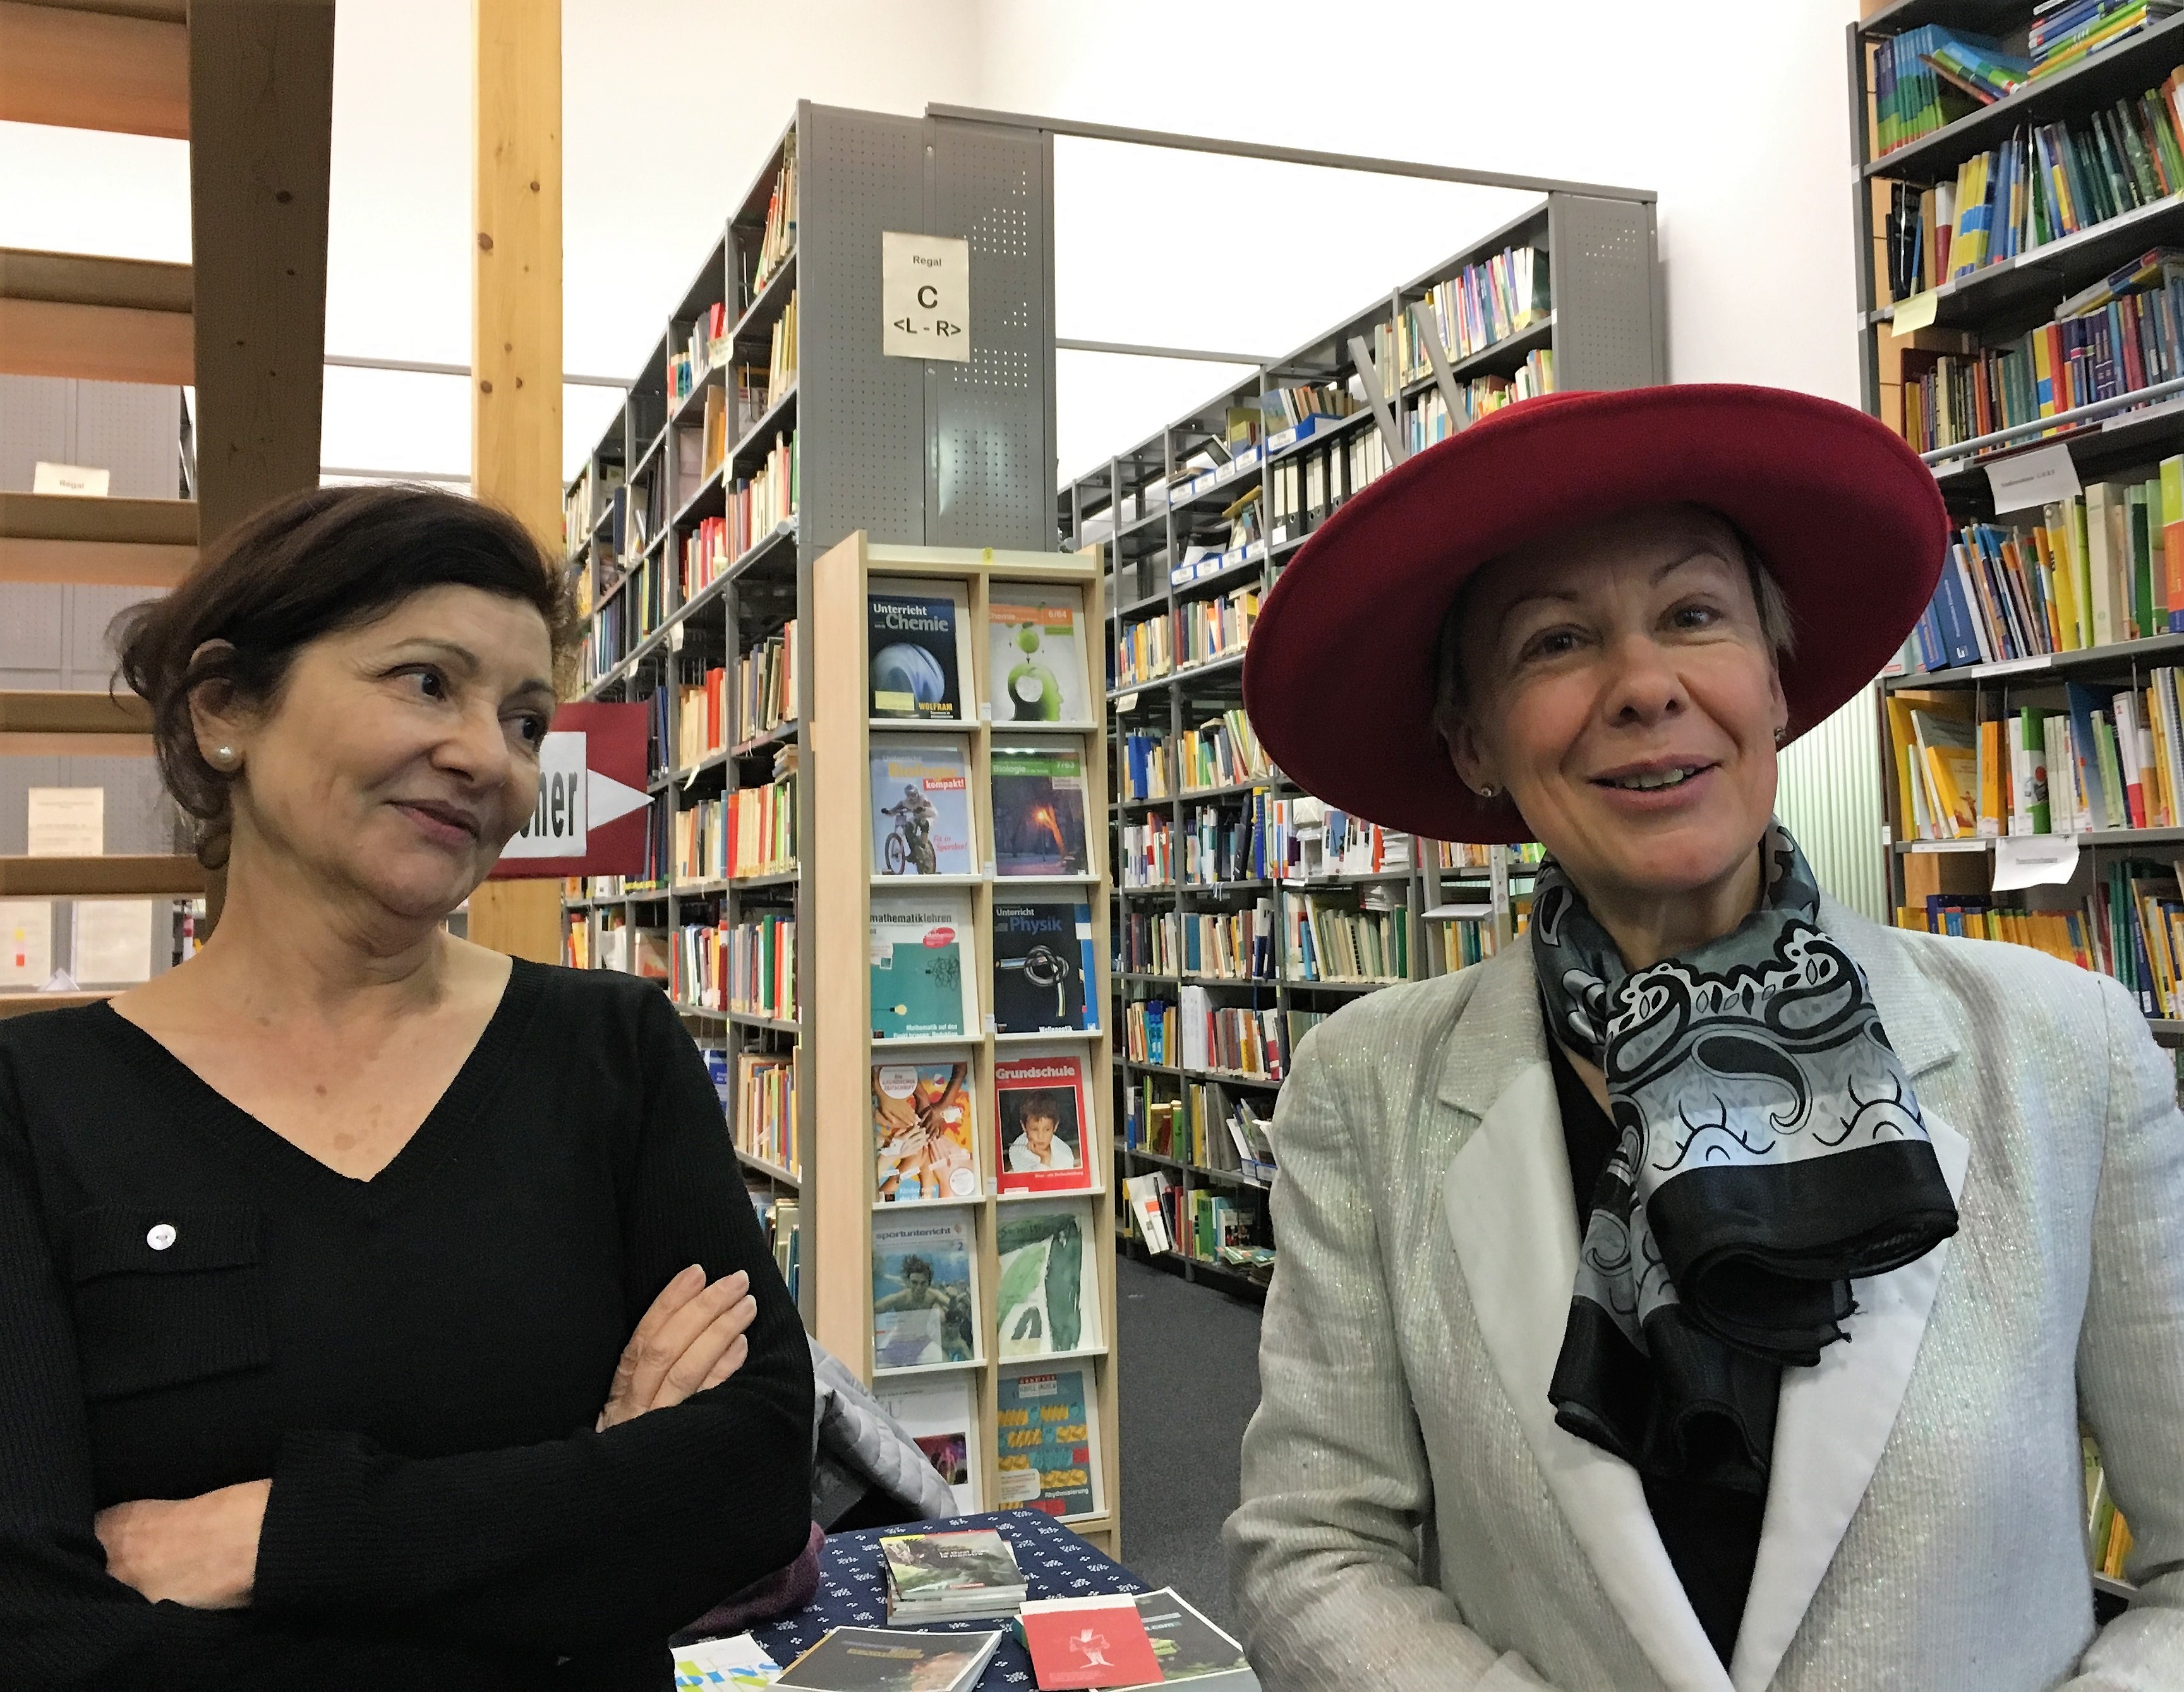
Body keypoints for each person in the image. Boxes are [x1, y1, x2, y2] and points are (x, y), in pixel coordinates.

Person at [1226, 385, 2184, 1691]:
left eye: (1693, 616)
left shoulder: (2061, 1049)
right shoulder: (1368, 1087)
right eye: (1556, 642)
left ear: (1775, 682)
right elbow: (1315, 1546)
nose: (1643, 687)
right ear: (1474, 741)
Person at [0, 485, 814, 1691]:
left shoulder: (612, 1050)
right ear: (227, 705)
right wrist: (582, 1512)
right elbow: (41, 1633)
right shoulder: (36, 1103)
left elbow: (746, 1482)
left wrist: (282, 1538)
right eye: (426, 681)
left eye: (528, 719)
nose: (490, 756)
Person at [1006, 1093, 1077, 1173]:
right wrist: (1045, 1159)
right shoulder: (1017, 1150)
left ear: (1055, 1126)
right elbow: (1032, 1183)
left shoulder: (1065, 1155)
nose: (1041, 1136)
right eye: (1035, 1130)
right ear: (1024, 1127)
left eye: (1047, 1130)